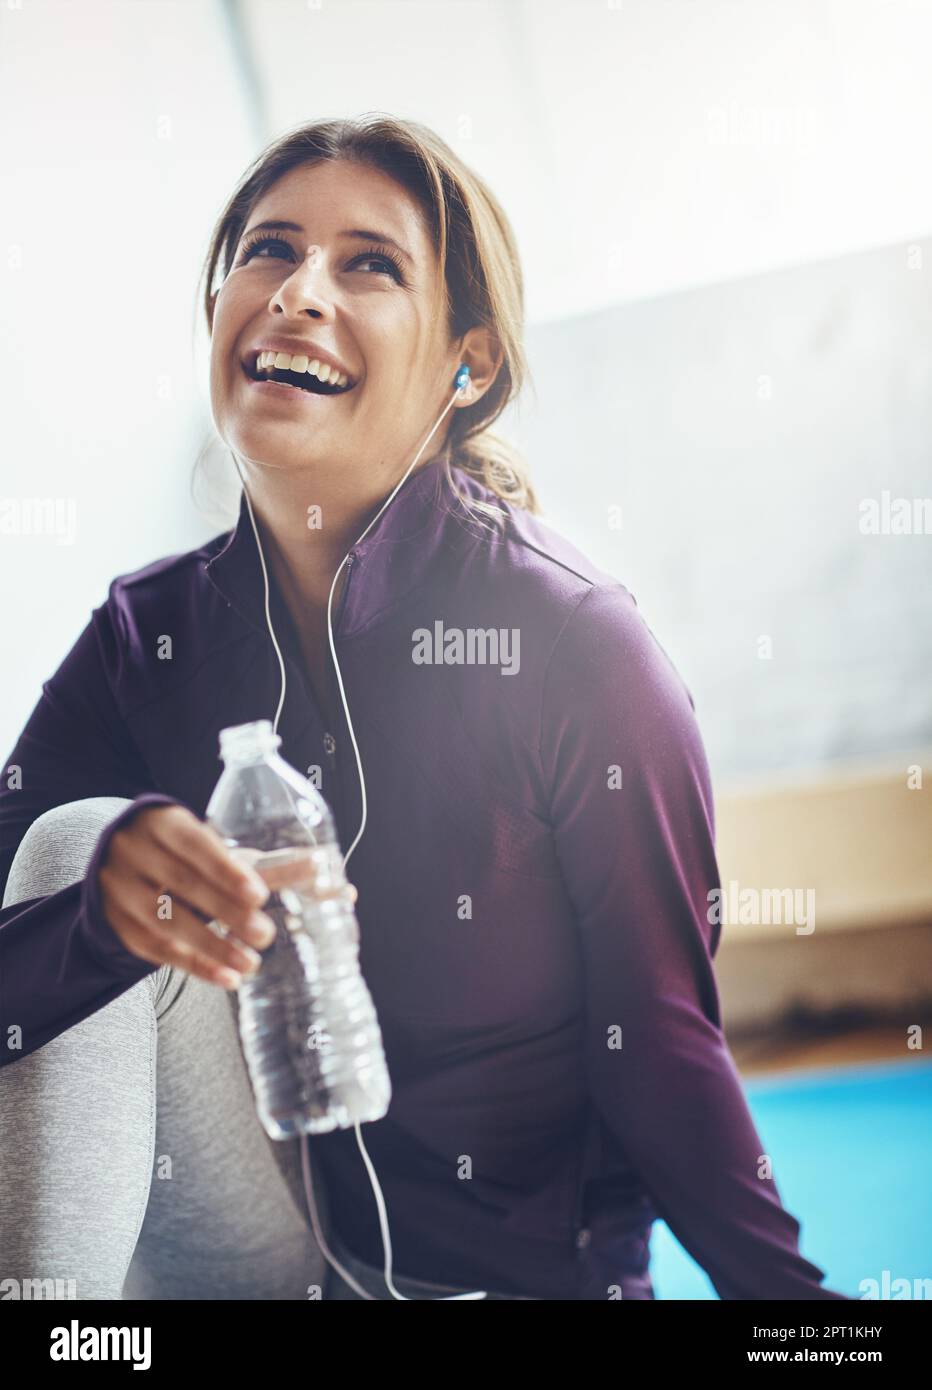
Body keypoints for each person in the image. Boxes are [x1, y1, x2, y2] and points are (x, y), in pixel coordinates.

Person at [0, 115, 848, 1302]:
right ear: (217, 314)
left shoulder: (573, 646)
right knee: (77, 848)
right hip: (250, 1254)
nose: (298, 290)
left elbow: (658, 1046)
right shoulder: (147, 639)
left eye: (369, 263)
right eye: (267, 249)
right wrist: (96, 928)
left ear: (469, 364)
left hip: (507, 1281)